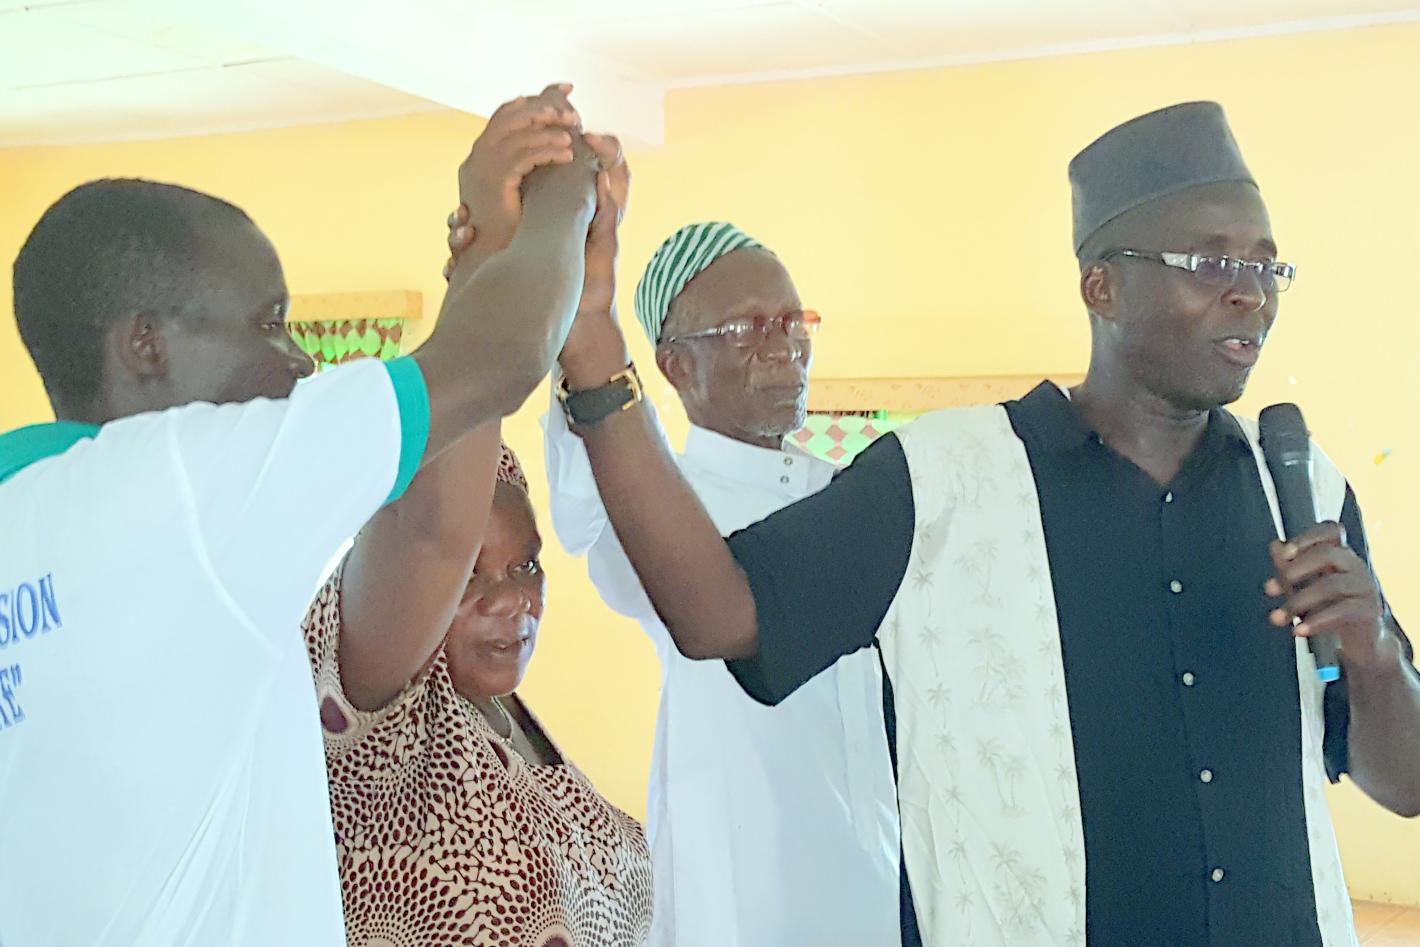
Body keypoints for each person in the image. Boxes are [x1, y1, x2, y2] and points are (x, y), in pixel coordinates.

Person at [539, 101, 1420, 945]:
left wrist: (1376, 655)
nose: (1251, 295)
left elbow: (1404, 781)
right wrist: (590, 338)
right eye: (1210, 263)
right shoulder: (946, 482)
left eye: (1266, 267)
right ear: (1104, 286)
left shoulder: (1303, 493)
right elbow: (719, 613)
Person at [0, 84, 599, 946]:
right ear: (146, 344)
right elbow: (500, 356)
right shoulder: (181, 489)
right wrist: (567, 190)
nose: (299, 360)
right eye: (270, 323)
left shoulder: (30, 509)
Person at [304, 111, 651, 947]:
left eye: (526, 566)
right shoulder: (370, 711)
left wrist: (582, 302)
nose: (513, 602)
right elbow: (434, 529)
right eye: (472, 574)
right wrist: (492, 252)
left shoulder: (512, 725)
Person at [541, 223, 900, 946]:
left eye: (792, 321)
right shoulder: (659, 511)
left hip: (881, 900)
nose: (783, 344)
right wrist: (566, 284)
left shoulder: (846, 498)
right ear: (675, 365)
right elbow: (583, 498)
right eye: (747, 327)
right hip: (745, 913)